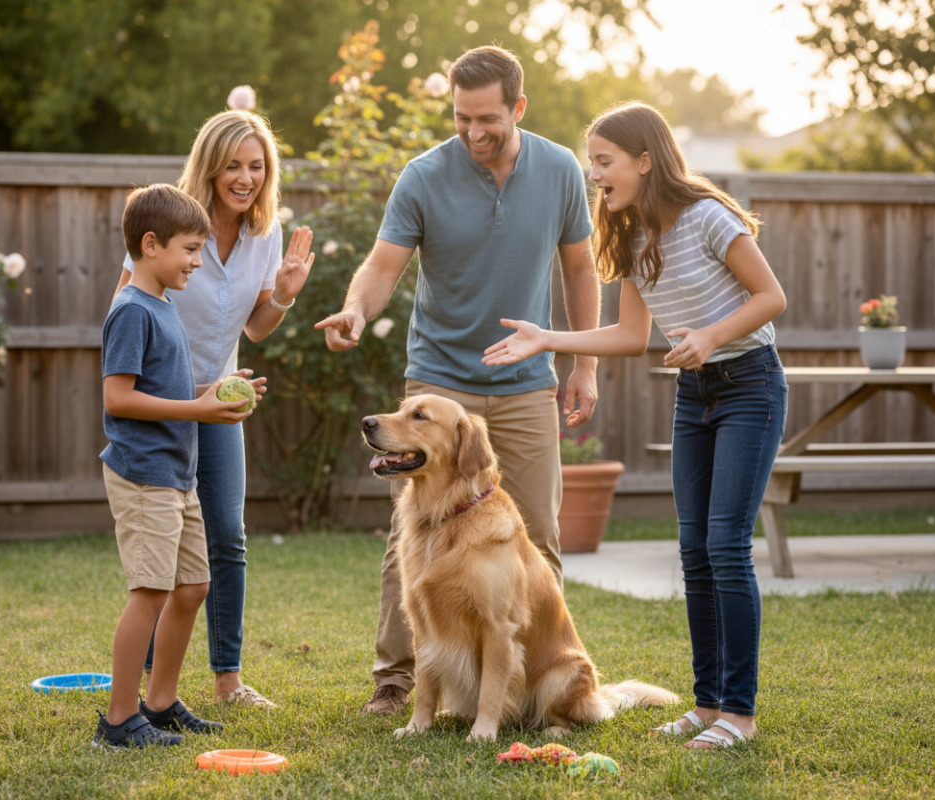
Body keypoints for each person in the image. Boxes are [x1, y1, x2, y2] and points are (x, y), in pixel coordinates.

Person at [483, 101, 788, 749]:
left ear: (645, 161)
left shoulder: (708, 217)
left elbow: (771, 298)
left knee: (726, 546)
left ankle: (741, 712)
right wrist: (548, 339)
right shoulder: (630, 234)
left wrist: (709, 334)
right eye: (591, 161)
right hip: (695, 393)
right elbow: (629, 335)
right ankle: (707, 705)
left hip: (750, 385)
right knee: (694, 550)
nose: (594, 173)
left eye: (604, 161)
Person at [314, 45, 601, 716]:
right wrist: (356, 309)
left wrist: (583, 363)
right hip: (439, 382)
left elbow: (582, 270)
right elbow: (383, 267)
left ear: (518, 108)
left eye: (489, 119)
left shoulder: (559, 170)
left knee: (537, 535)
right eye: (462, 118)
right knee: (414, 536)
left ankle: (523, 688)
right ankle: (397, 680)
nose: (474, 132)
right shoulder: (424, 176)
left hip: (527, 378)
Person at [114, 109, 314, 708]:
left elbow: (255, 330)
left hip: (219, 402)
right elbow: (130, 304)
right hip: (166, 403)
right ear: (209, 165)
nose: (245, 177)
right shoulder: (170, 222)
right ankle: (147, 690)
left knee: (225, 538)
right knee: (164, 554)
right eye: (233, 164)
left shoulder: (265, 232)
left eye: (256, 166)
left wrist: (283, 294)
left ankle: (227, 679)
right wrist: (166, 400)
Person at [95, 183, 233, 748]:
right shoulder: (131, 310)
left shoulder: (164, 306)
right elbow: (118, 398)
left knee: (194, 584)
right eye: (190, 249)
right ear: (150, 245)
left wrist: (215, 392)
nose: (197, 262)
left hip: (177, 473)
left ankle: (160, 700)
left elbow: (170, 388)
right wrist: (197, 408)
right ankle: (118, 719)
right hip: (145, 472)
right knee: (150, 590)